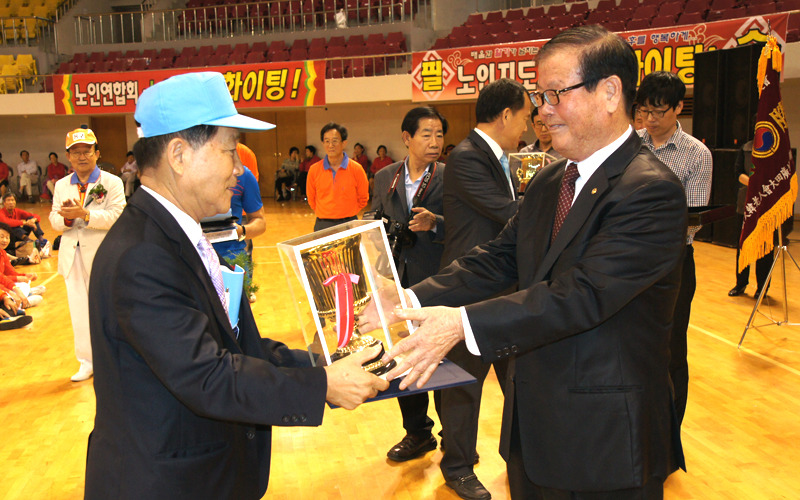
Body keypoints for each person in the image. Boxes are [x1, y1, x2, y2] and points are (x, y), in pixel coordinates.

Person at [375, 25, 687, 498]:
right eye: (542, 96)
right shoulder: (551, 180)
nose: (543, 110)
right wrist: (407, 298)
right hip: (534, 429)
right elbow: (498, 258)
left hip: (603, 440)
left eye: (557, 94)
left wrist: (460, 324)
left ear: (609, 92)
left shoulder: (650, 190)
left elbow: (580, 296)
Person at [84, 71, 388, 500]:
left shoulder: (177, 236)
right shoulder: (142, 255)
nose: (240, 168)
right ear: (179, 155)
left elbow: (237, 346)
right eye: (230, 150)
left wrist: (324, 363)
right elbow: (207, 374)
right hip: (163, 484)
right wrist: (323, 386)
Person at [422, 78, 529, 500]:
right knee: (464, 385)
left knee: (517, 381)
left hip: (504, 288)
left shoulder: (497, 158)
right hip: (470, 289)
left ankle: (520, 458)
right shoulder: (468, 157)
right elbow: (508, 212)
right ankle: (458, 466)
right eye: (524, 117)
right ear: (505, 115)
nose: (526, 126)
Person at [635, 70, 712, 425]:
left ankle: (669, 432)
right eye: (645, 111)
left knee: (671, 348)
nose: (650, 119)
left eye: (659, 111)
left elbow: (691, 221)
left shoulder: (697, 154)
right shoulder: (631, 144)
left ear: (679, 107)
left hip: (673, 262)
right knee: (632, 344)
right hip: (628, 258)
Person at [372, 107, 447, 464]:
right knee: (405, 357)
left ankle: (455, 436)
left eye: (439, 134)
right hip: (398, 280)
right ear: (407, 137)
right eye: (426, 134)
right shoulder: (385, 176)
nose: (435, 142)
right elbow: (376, 220)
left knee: (445, 357)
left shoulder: (451, 176)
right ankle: (418, 432)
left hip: (439, 280)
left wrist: (436, 223)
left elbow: (467, 225)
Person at [49, 127, 126, 382]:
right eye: (76, 152)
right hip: (72, 255)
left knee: (108, 308)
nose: (81, 157)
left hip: (103, 256)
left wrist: (85, 215)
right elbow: (53, 219)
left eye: (87, 151)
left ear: (97, 153)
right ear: (68, 156)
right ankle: (87, 361)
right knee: (79, 310)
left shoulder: (111, 182)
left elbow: (117, 216)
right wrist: (67, 219)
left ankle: (114, 357)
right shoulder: (62, 185)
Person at [213, 143, 267, 302]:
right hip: (194, 261)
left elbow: (260, 222)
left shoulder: (244, 174)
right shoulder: (186, 174)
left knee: (236, 314)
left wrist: (241, 231)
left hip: (231, 258)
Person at [306, 123, 369, 231]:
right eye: (327, 141)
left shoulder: (356, 169)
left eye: (335, 141)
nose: (331, 145)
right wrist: (326, 213)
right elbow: (311, 199)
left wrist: (348, 213)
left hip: (349, 223)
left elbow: (363, 198)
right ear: (322, 143)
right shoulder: (314, 170)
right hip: (322, 224)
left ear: (344, 143)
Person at [0, 222, 45, 310]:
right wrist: (15, 284)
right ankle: (20, 304)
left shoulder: (3, 253)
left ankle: (24, 296)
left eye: (7, 237)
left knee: (24, 283)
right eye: (1, 237)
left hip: (3, 283)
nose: (5, 240)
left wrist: (24, 276)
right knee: (14, 288)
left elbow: (10, 272)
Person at [0, 192, 49, 257]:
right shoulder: (1, 212)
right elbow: (8, 222)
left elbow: (36, 216)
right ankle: (30, 242)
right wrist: (25, 223)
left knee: (31, 218)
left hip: (19, 236)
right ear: (4, 203)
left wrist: (33, 220)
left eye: (12, 200)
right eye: (8, 200)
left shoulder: (17, 211)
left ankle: (41, 239)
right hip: (9, 239)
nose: (11, 202)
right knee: (14, 226)